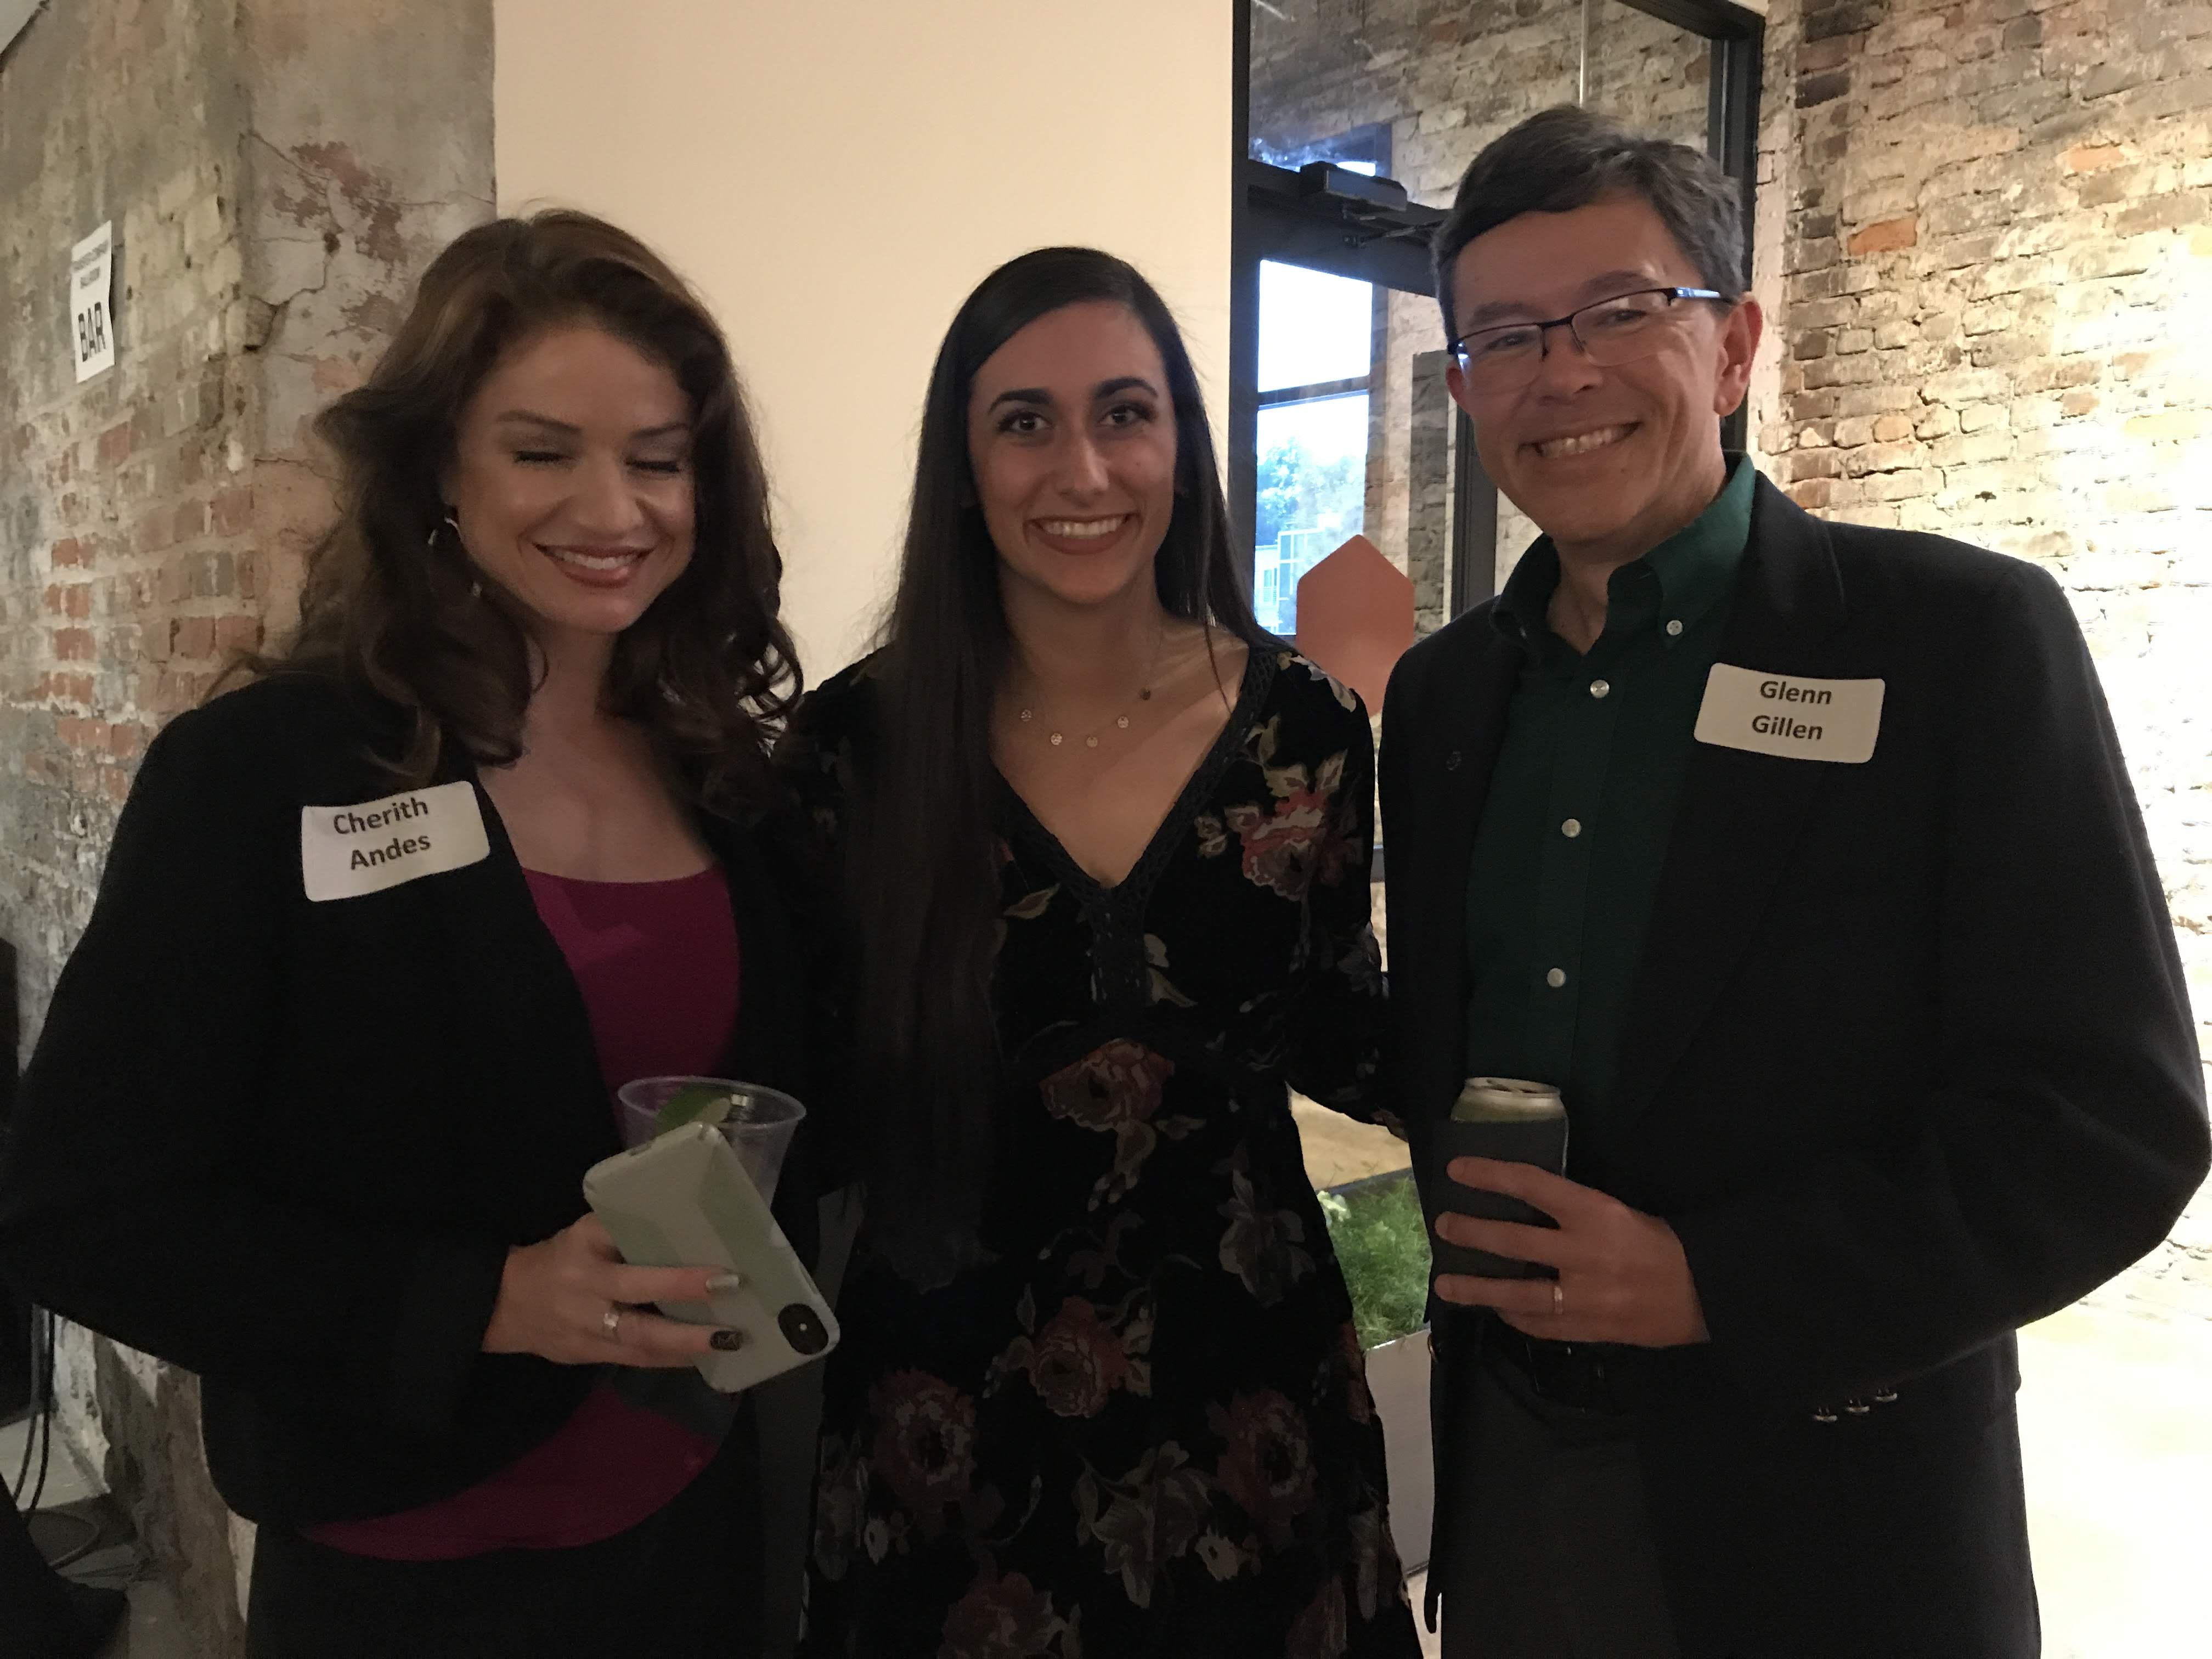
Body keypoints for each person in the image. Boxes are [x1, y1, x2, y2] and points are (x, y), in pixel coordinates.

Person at [1379, 106, 2209, 1659]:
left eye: (1620, 311)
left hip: (1835, 1509)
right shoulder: (1445, 698)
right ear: (1464, 387)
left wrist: (1719, 1282)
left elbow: (2107, 1124)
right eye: (1508, 336)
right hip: (1515, 1477)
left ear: (1735, 346)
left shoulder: (1958, 644)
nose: (1564, 372)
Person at [0, 210, 826, 1658]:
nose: (614, 508)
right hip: (409, 1572)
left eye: (658, 458)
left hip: (695, 1529)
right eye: (544, 451)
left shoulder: (723, 774)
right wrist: (487, 1302)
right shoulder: (268, 774)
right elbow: (79, 1213)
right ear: (440, 466)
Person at [783, 247, 1419, 1656]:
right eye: (1026, 423)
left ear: (1182, 446)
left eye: (1126, 414)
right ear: (964, 469)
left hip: (1252, 1405)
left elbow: (1348, 1037)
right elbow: (803, 1087)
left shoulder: (1305, 728)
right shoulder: (857, 749)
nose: (1083, 469)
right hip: (945, 1428)